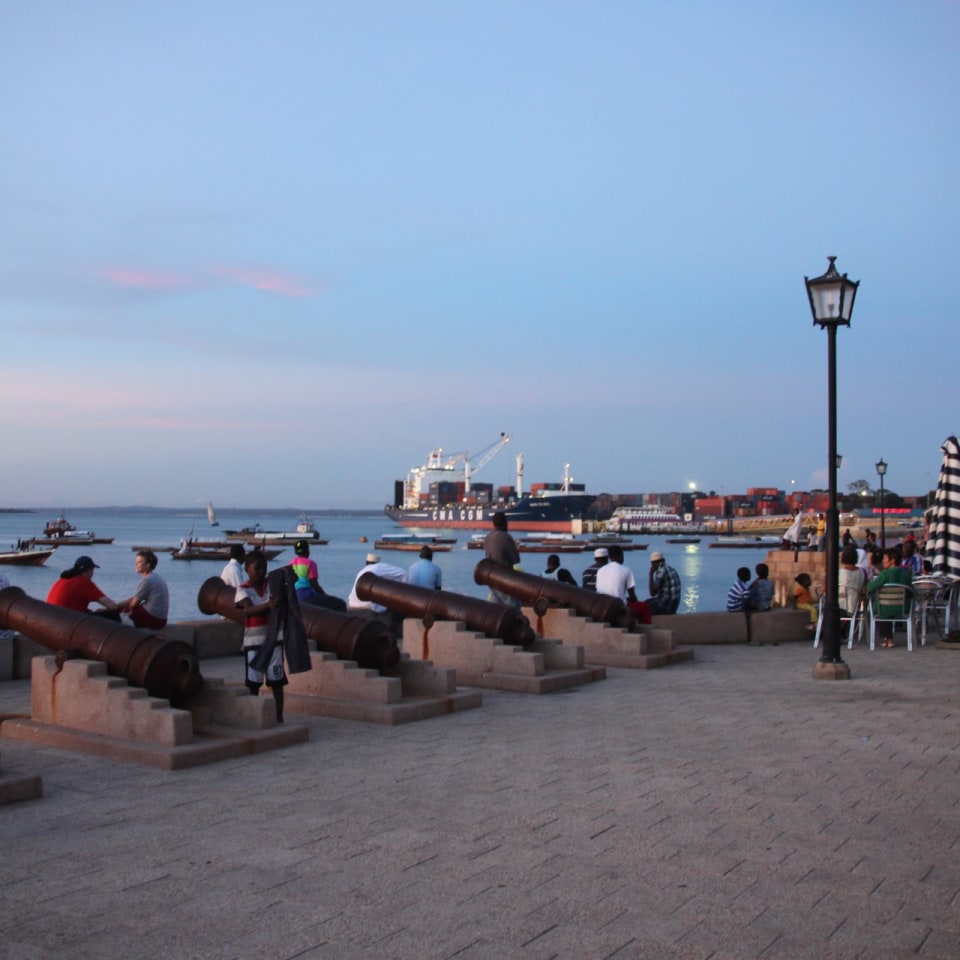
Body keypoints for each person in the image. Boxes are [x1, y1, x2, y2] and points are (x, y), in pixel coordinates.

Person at [235, 550, 285, 722]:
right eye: (257, 569)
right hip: (254, 643)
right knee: (253, 683)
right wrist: (267, 606)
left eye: (264, 568)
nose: (262, 572)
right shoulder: (243, 589)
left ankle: (279, 716)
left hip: (274, 641)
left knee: (277, 681)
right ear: (247, 569)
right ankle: (254, 716)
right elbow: (248, 610)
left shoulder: (271, 586)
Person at [347, 552, 407, 631]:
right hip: (368, 608)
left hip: (352, 605)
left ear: (366, 562)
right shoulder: (379, 567)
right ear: (377, 562)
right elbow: (403, 573)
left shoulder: (362, 571)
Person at [866, 547, 913, 646]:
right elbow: (911, 591)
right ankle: (889, 640)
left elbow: (870, 587)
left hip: (883, 609)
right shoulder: (905, 574)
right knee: (886, 607)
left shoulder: (885, 574)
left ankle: (888, 639)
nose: (883, 561)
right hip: (902, 608)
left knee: (881, 607)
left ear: (892, 560)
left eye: (885, 558)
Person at [46, 555, 119, 617]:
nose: (92, 574)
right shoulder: (83, 583)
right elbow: (112, 606)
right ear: (88, 570)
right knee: (114, 614)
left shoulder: (63, 579)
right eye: (92, 570)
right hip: (67, 621)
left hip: (52, 617)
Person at [118, 549, 169, 629]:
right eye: (136, 562)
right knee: (124, 606)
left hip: (153, 619)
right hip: (162, 619)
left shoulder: (147, 580)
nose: (136, 564)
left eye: (139, 562)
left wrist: (116, 607)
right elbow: (135, 599)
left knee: (119, 612)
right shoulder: (155, 577)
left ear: (148, 565)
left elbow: (134, 603)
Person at [288, 540, 346, 610]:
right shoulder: (310, 563)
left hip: (295, 596)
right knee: (341, 604)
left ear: (295, 552)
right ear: (308, 551)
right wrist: (325, 595)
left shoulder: (291, 563)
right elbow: (314, 584)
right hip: (307, 596)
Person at [483, 511, 520, 606]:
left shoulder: (488, 537)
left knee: (497, 608)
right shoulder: (506, 537)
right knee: (513, 607)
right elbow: (516, 559)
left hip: (491, 577)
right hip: (504, 578)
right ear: (505, 523)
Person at [839, 544, 867, 616]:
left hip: (838, 606)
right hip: (854, 606)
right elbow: (864, 591)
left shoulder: (838, 572)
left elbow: (824, 588)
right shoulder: (862, 573)